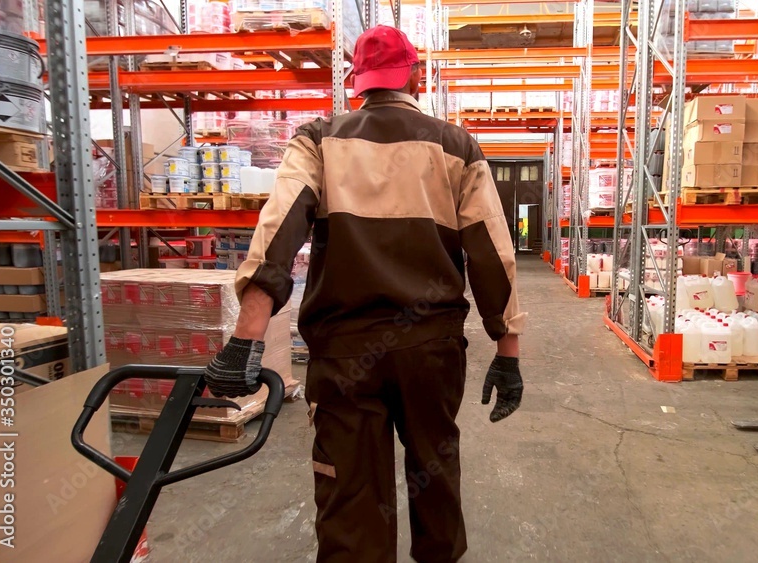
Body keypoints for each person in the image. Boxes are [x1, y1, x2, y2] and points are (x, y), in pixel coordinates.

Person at [203, 25, 526, 563]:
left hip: (345, 353)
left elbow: (278, 230)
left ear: (358, 81)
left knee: (350, 498)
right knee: (435, 476)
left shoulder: (317, 140)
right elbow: (494, 254)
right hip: (431, 351)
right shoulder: (457, 147)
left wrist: (245, 339)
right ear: (415, 76)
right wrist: (507, 351)